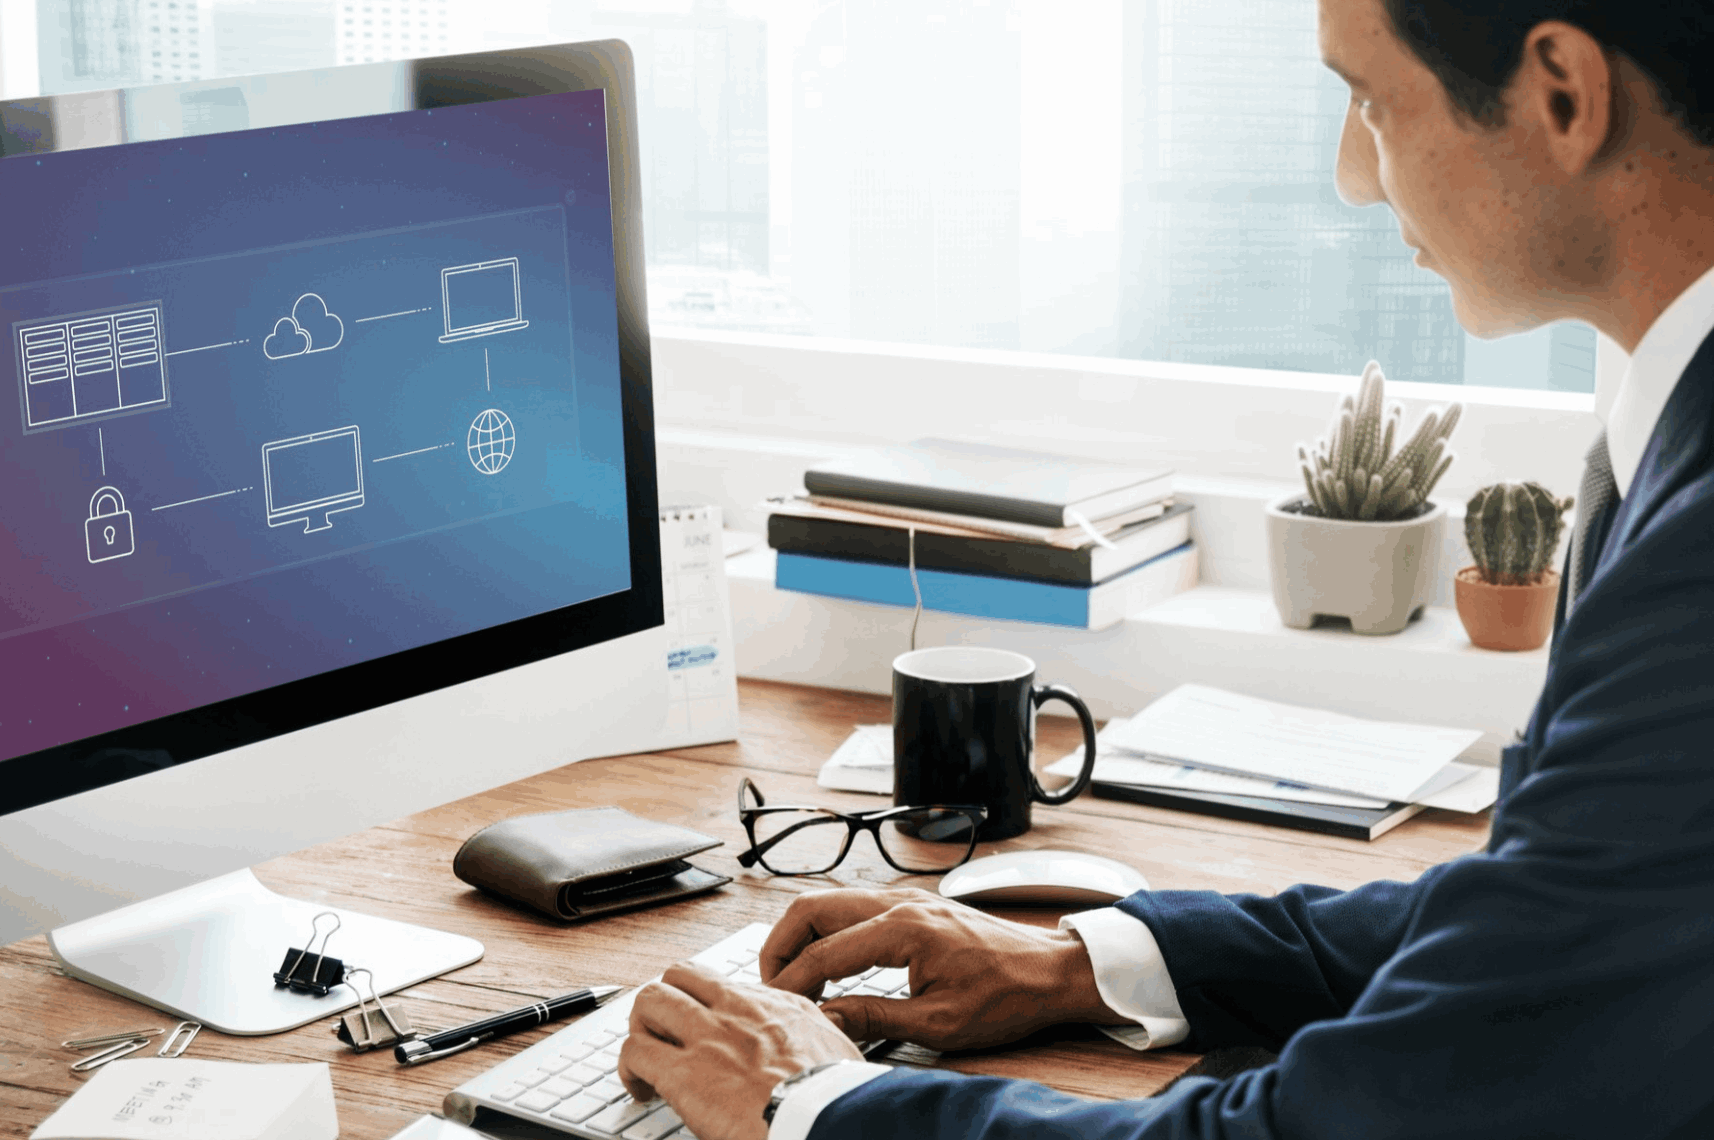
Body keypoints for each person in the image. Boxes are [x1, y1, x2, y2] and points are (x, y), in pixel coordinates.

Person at [616, 1, 1714, 1136]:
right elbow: (1542, 923)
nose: (1351, 175)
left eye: (1370, 101)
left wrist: (817, 1102)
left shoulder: (1695, 558)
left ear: (1561, 97)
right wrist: (1081, 965)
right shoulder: (1666, 438)